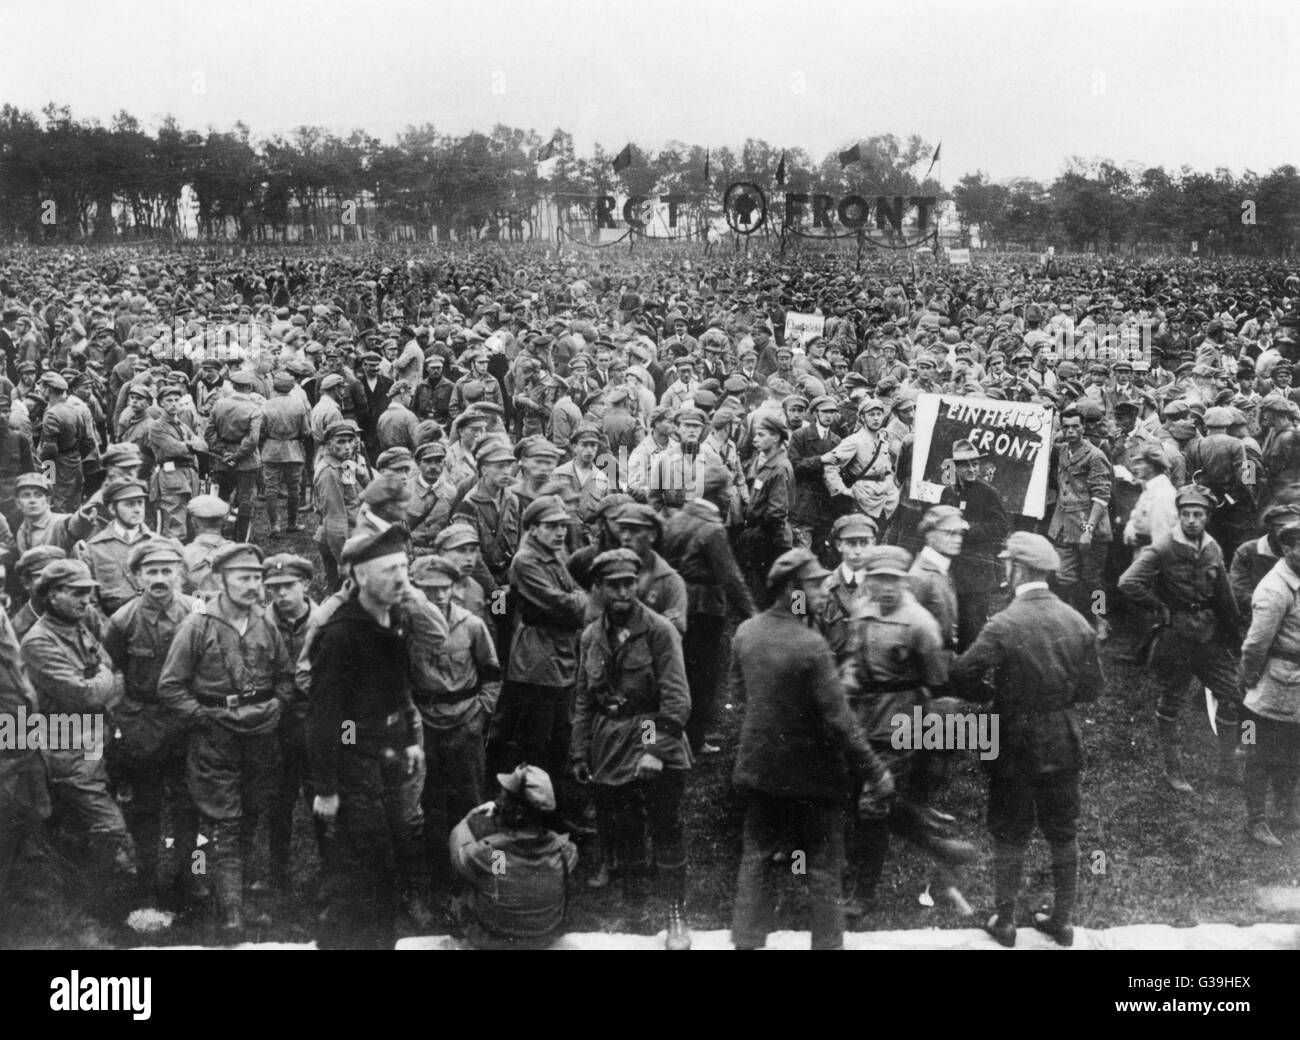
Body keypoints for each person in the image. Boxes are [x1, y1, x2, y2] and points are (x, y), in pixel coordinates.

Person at [730, 548, 893, 951]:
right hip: (813, 778)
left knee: (757, 861)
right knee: (823, 868)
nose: (823, 591)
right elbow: (840, 722)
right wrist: (876, 771)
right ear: (792, 590)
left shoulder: (746, 632)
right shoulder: (812, 646)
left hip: (759, 769)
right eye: (816, 585)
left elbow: (740, 695)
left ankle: (747, 942)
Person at [951, 532, 1103, 948]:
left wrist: (991, 695)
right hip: (1061, 738)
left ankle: (1005, 920)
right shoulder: (1077, 621)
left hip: (1011, 740)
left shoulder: (1003, 623)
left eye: (1008, 563)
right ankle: (1062, 921)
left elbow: (962, 674)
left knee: (1010, 831)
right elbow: (1093, 688)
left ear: (1017, 568)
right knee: (1062, 830)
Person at [157, 542, 294, 935]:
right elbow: (171, 687)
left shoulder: (266, 623)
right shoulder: (198, 626)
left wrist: (276, 706)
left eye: (256, 577)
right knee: (225, 822)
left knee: (251, 814)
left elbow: (285, 676)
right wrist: (202, 718)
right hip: (214, 735)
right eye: (243, 577)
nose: (253, 585)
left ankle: (236, 898)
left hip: (260, 735)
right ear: (219, 580)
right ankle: (231, 910)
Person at [307, 524, 429, 949]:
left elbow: (400, 684)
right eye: (388, 570)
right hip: (352, 764)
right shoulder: (340, 635)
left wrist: (411, 736)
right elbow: (325, 718)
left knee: (385, 865)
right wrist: (326, 788)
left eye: (403, 567)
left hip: (389, 756)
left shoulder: (394, 617)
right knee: (361, 873)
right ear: (358, 577)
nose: (400, 579)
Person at [572, 548, 693, 947]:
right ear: (599, 588)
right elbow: (584, 701)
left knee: (665, 828)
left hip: (652, 733)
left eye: (629, 583)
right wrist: (579, 751)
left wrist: (653, 750)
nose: (623, 592)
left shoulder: (659, 631)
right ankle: (635, 909)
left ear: (637, 583)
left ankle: (676, 916)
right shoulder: (591, 635)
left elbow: (677, 700)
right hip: (609, 747)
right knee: (624, 832)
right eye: (613, 585)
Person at [1119, 484, 1244, 793]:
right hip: (1175, 636)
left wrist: (1235, 633)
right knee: (1172, 699)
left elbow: (1224, 593)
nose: (1191, 520)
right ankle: (1173, 769)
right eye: (1186, 514)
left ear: (1207, 517)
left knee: (1232, 695)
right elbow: (1128, 582)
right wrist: (1159, 607)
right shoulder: (1163, 547)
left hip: (1208, 634)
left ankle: (1228, 765)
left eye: (1198, 515)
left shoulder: (1212, 548)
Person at [102, 539, 201, 910]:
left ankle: (192, 877)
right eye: (151, 571)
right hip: (142, 725)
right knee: (145, 810)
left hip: (186, 724)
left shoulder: (196, 613)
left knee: (192, 808)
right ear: (137, 575)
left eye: (167, 570)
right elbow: (110, 673)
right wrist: (124, 719)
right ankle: (146, 882)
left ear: (180, 573)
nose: (160, 578)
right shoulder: (123, 620)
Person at [407, 553, 501, 907]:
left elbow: (492, 674)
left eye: (445, 589)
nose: (439, 596)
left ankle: (482, 876)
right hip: (424, 722)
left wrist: (481, 711)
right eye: (430, 590)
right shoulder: (408, 629)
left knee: (472, 800)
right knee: (429, 802)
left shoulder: (472, 625)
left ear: (455, 588)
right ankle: (438, 881)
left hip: (465, 721)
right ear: (418, 591)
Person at [489, 495, 587, 799]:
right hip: (538, 660)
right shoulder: (527, 560)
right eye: (552, 526)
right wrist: (582, 602)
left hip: (558, 652)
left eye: (562, 526)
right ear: (532, 528)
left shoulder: (553, 553)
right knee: (539, 741)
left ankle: (554, 807)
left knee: (560, 735)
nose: (560, 532)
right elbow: (565, 604)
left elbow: (575, 595)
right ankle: (536, 810)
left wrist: (578, 600)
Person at [660, 463, 755, 755]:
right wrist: (752, 613)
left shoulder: (676, 519)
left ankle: (672, 733)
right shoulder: (713, 529)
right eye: (727, 489)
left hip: (675, 602)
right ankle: (695, 736)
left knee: (678, 669)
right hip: (704, 607)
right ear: (718, 493)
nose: (730, 494)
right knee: (703, 673)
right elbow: (730, 577)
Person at [448, 764, 579, 949]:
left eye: (504, 795)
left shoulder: (493, 856)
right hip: (544, 937)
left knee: (475, 886)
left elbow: (457, 840)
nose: (498, 799)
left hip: (495, 941)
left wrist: (473, 814)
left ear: (518, 812)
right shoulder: (566, 852)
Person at [261, 553, 325, 893]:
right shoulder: (260, 622)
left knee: (322, 793)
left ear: (306, 585)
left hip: (317, 717)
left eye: (288, 586)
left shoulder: (325, 620)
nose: (281, 594)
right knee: (278, 796)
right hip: (277, 719)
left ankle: (330, 871)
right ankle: (276, 873)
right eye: (273, 587)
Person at [1236, 521, 1300, 848]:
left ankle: (1288, 809)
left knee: (1292, 750)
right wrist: (1247, 681)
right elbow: (1255, 645)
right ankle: (1256, 821)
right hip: (1274, 683)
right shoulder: (1274, 589)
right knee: (1259, 753)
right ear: (1286, 549)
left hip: (1295, 688)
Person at [1048, 406, 1113, 638]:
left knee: (1093, 579)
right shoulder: (1062, 451)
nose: (1071, 431)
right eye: (1066, 427)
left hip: (1089, 527)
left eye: (1075, 426)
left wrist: (1088, 530)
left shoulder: (1095, 456)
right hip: (1064, 526)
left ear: (1084, 428)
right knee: (1064, 575)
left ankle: (1100, 619)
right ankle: (1072, 618)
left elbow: (1102, 495)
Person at [939, 438, 1009, 648]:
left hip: (978, 569)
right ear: (955, 467)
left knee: (974, 622)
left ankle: (972, 672)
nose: (971, 469)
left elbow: (1000, 527)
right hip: (953, 568)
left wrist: (968, 528)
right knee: (954, 618)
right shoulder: (948, 492)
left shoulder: (988, 493)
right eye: (965, 465)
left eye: (975, 464)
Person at [80, 477, 155, 616]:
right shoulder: (95, 548)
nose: (138, 510)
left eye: (140, 503)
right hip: (113, 626)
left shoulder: (157, 544)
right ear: (112, 509)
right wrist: (105, 630)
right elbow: (89, 600)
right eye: (129, 504)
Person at [209, 370, 263, 541]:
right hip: (247, 461)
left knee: (222, 497)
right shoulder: (254, 408)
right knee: (245, 499)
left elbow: (210, 432)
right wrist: (238, 456)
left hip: (222, 460)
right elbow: (253, 439)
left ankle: (218, 532)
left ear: (232, 386)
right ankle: (241, 538)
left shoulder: (219, 404)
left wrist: (224, 453)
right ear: (249, 387)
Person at [148, 382, 207, 539]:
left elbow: (203, 445)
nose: (174, 404)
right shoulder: (157, 426)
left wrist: (191, 444)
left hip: (188, 476)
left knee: (191, 520)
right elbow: (175, 449)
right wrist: (191, 445)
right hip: (171, 477)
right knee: (174, 522)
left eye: (176, 400)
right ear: (161, 403)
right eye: (169, 400)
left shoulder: (180, 424)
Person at [314, 419, 364, 591]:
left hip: (351, 535)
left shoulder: (345, 465)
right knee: (341, 595)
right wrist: (343, 559)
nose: (348, 446)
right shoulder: (329, 473)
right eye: (341, 442)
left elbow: (351, 498)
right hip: (338, 541)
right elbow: (335, 519)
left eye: (350, 441)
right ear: (328, 444)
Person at [260, 370, 311, 536]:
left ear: (274, 386)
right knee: (293, 488)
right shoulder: (298, 405)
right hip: (293, 450)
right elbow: (306, 431)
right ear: (291, 387)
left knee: (271, 488)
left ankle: (274, 525)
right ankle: (292, 523)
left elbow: (261, 430)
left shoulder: (266, 405)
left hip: (271, 449)